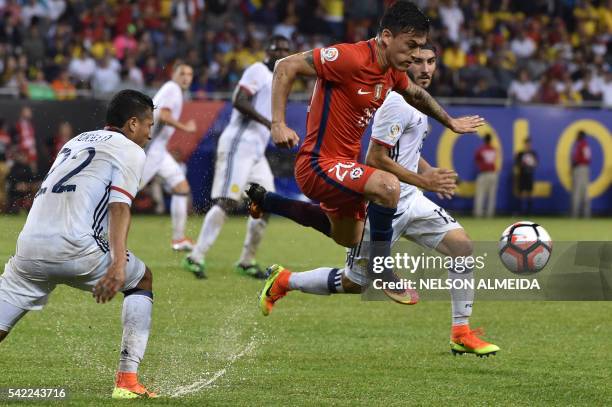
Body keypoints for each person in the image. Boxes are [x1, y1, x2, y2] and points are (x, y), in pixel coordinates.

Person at [257, 44, 499, 357]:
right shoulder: (395, 102)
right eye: (417, 61)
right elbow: (375, 157)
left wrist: (426, 170)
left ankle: (461, 332)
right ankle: (286, 280)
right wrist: (425, 180)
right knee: (353, 283)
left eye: (431, 62)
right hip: (384, 203)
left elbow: (405, 148)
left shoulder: (414, 105)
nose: (425, 69)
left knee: (462, 246)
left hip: (411, 198)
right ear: (405, 64)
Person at [248, 0, 483, 303]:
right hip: (318, 163)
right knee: (387, 186)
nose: (414, 55)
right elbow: (285, 65)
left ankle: (267, 200)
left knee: (348, 236)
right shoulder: (350, 57)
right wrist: (277, 123)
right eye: (411, 46)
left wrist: (450, 121)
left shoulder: (392, 73)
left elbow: (417, 95)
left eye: (421, 47)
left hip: (343, 166)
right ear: (387, 36)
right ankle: (383, 269)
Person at [0, 90, 157, 399]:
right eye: (150, 125)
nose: (150, 135)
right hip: (76, 246)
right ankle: (127, 381)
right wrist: (117, 264)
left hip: (29, 246)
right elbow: (119, 207)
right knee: (142, 280)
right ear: (133, 124)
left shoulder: (76, 141)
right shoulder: (131, 150)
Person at [182, 36, 291, 279]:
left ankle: (246, 260)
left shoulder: (279, 79)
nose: (281, 52)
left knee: (267, 202)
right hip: (239, 143)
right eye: (278, 48)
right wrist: (269, 123)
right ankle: (195, 256)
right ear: (268, 50)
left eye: (286, 50)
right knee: (228, 201)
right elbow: (238, 100)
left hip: (256, 151)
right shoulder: (257, 70)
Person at [139, 63, 198, 251]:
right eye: (183, 73)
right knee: (124, 193)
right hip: (150, 150)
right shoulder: (172, 89)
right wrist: (185, 127)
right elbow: (163, 115)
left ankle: (178, 239)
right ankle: (89, 228)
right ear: (174, 74)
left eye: (190, 74)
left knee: (181, 187)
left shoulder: (175, 91)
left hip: (159, 150)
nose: (186, 77)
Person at [473, 134, 498, 218]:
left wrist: (481, 166)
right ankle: (490, 214)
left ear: (484, 140)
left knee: (480, 194)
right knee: (491, 195)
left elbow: (476, 160)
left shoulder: (480, 150)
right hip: (492, 173)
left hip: (483, 173)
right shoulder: (493, 149)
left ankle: (478, 213)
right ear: (490, 140)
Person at [514, 137, 538, 215]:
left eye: (529, 144)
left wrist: (530, 164)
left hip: (529, 175)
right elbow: (517, 163)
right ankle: (519, 211)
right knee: (520, 193)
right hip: (522, 175)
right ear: (525, 144)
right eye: (527, 143)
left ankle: (529, 211)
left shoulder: (533, 153)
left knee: (529, 193)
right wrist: (521, 162)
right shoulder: (520, 154)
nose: (528, 145)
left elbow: (535, 164)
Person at [571, 130, 591, 218]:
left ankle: (575, 214)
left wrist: (576, 163)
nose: (577, 136)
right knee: (584, 191)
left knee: (577, 192)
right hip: (583, 168)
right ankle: (586, 214)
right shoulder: (583, 144)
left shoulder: (582, 144)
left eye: (578, 135)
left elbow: (586, 158)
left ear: (581, 136)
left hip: (580, 168)